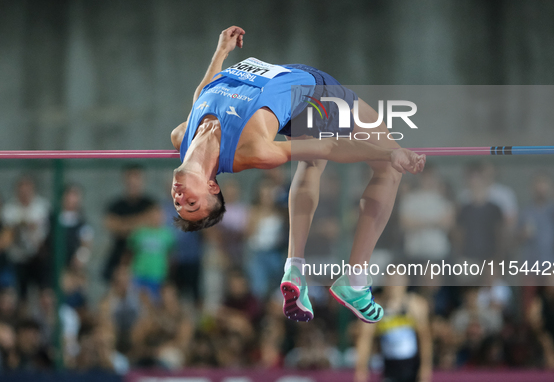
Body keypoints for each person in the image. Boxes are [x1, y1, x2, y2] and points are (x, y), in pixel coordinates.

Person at [169, 26, 425, 323]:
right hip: (314, 92)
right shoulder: (253, 150)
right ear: (213, 186)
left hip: (285, 83)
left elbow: (202, 96)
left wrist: (221, 52)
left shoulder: (181, 136)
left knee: (311, 163)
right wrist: (388, 154)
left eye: (179, 204)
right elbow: (329, 146)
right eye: (192, 204)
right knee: (387, 169)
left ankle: (296, 267)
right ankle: (354, 279)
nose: (180, 198)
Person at [355, 275, 432, 382]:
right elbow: (365, 339)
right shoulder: (376, 307)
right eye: (391, 279)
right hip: (389, 368)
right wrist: (361, 368)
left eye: (398, 279)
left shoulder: (416, 305)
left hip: (412, 367)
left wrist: (425, 367)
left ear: (406, 281)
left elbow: (425, 339)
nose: (394, 285)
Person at [103, 165, 157, 282]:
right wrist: (142, 221)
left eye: (137, 180)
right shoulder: (115, 205)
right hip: (119, 255)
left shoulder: (151, 203)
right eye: (130, 181)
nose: (133, 184)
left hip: (146, 258)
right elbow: (113, 227)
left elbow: (156, 224)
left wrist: (124, 224)